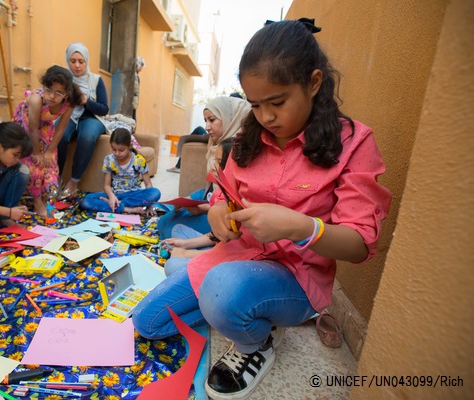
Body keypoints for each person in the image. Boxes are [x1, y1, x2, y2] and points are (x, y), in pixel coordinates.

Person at [133, 19, 392, 400]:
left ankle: (258, 343)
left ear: (314, 83)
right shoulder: (250, 138)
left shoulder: (353, 142)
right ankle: (235, 307)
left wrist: (301, 227)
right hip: (238, 255)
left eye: (277, 102)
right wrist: (218, 214)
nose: (266, 117)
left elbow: (359, 246)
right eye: (255, 105)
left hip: (295, 276)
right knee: (148, 322)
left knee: (221, 289)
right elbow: (224, 194)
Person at [158, 97, 250, 239]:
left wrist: (204, 209)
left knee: (169, 228)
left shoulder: (241, 151)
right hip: (211, 199)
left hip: (227, 212)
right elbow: (211, 188)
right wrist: (189, 199)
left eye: (212, 120)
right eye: (205, 121)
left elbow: (236, 203)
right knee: (164, 221)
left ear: (230, 118)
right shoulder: (214, 145)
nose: (207, 127)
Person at [13, 65, 83, 216]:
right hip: (26, 126)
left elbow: (60, 129)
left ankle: (46, 199)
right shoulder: (36, 99)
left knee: (51, 164)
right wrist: (38, 153)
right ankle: (37, 202)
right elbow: (32, 129)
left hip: (45, 126)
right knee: (34, 164)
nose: (52, 96)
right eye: (48, 90)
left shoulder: (69, 102)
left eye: (58, 93)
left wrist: (49, 151)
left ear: (66, 94)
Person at [161, 138, 234, 275]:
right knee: (177, 230)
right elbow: (216, 236)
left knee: (171, 266)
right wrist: (184, 244)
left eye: (218, 162)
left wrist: (187, 253)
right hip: (218, 247)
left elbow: (231, 252)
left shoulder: (235, 202)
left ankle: (199, 260)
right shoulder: (219, 193)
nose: (212, 167)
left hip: (227, 258)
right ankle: (198, 258)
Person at [57, 42, 110, 199]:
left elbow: (104, 109)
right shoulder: (63, 80)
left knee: (87, 137)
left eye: (81, 61)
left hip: (91, 116)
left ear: (86, 61)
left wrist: (86, 101)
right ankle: (56, 178)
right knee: (59, 135)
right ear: (67, 61)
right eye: (73, 61)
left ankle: (74, 181)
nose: (77, 66)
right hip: (69, 114)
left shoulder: (96, 80)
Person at [80, 128, 161, 214]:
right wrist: (111, 197)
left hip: (134, 195)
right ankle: (126, 209)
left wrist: (150, 206)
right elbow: (106, 185)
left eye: (121, 150)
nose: (117, 153)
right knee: (87, 200)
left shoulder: (139, 160)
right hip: (116, 195)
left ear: (130, 146)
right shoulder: (109, 160)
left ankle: (115, 205)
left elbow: (148, 184)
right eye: (114, 149)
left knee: (155, 193)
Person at [132, 56, 145, 121]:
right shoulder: (132, 75)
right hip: (130, 103)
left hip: (134, 103)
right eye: (141, 67)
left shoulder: (136, 77)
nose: (141, 69)